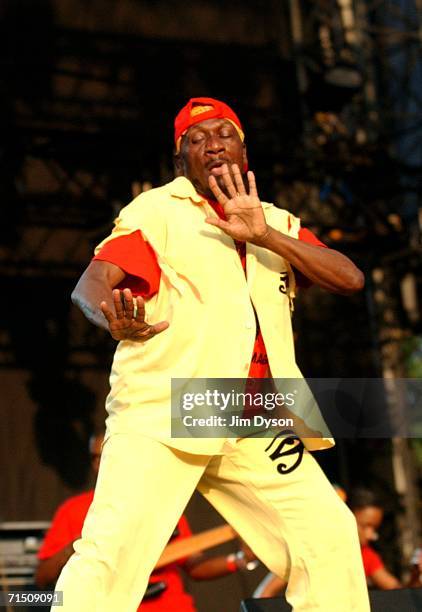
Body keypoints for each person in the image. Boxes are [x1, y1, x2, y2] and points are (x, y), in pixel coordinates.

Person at [56, 96, 370, 611]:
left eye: (223, 133)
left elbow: (350, 278)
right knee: (110, 559)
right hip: (165, 410)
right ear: (182, 163)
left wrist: (263, 233)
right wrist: (109, 314)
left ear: (243, 150)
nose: (211, 144)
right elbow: (91, 283)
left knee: (330, 536)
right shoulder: (158, 211)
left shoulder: (280, 223)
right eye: (195, 140)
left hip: (251, 416)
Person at [36, 433, 256, 610]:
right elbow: (43, 577)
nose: (104, 460)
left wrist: (238, 560)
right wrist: (76, 546)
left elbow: (194, 566)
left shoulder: (162, 502)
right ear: (92, 462)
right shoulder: (72, 510)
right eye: (97, 456)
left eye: (111, 453)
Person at [348, 488, 402, 590]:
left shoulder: (367, 555)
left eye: (374, 528)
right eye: (365, 526)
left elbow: (397, 590)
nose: (371, 535)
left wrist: (415, 578)